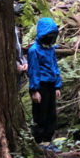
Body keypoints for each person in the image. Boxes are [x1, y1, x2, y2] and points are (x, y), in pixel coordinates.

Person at [27, 16, 62, 148]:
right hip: (41, 86)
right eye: (49, 34)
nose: (51, 37)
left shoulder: (50, 49)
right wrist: (34, 90)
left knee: (50, 114)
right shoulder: (34, 50)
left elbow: (55, 67)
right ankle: (39, 141)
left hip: (51, 85)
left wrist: (57, 85)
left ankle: (48, 140)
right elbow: (33, 71)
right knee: (40, 113)